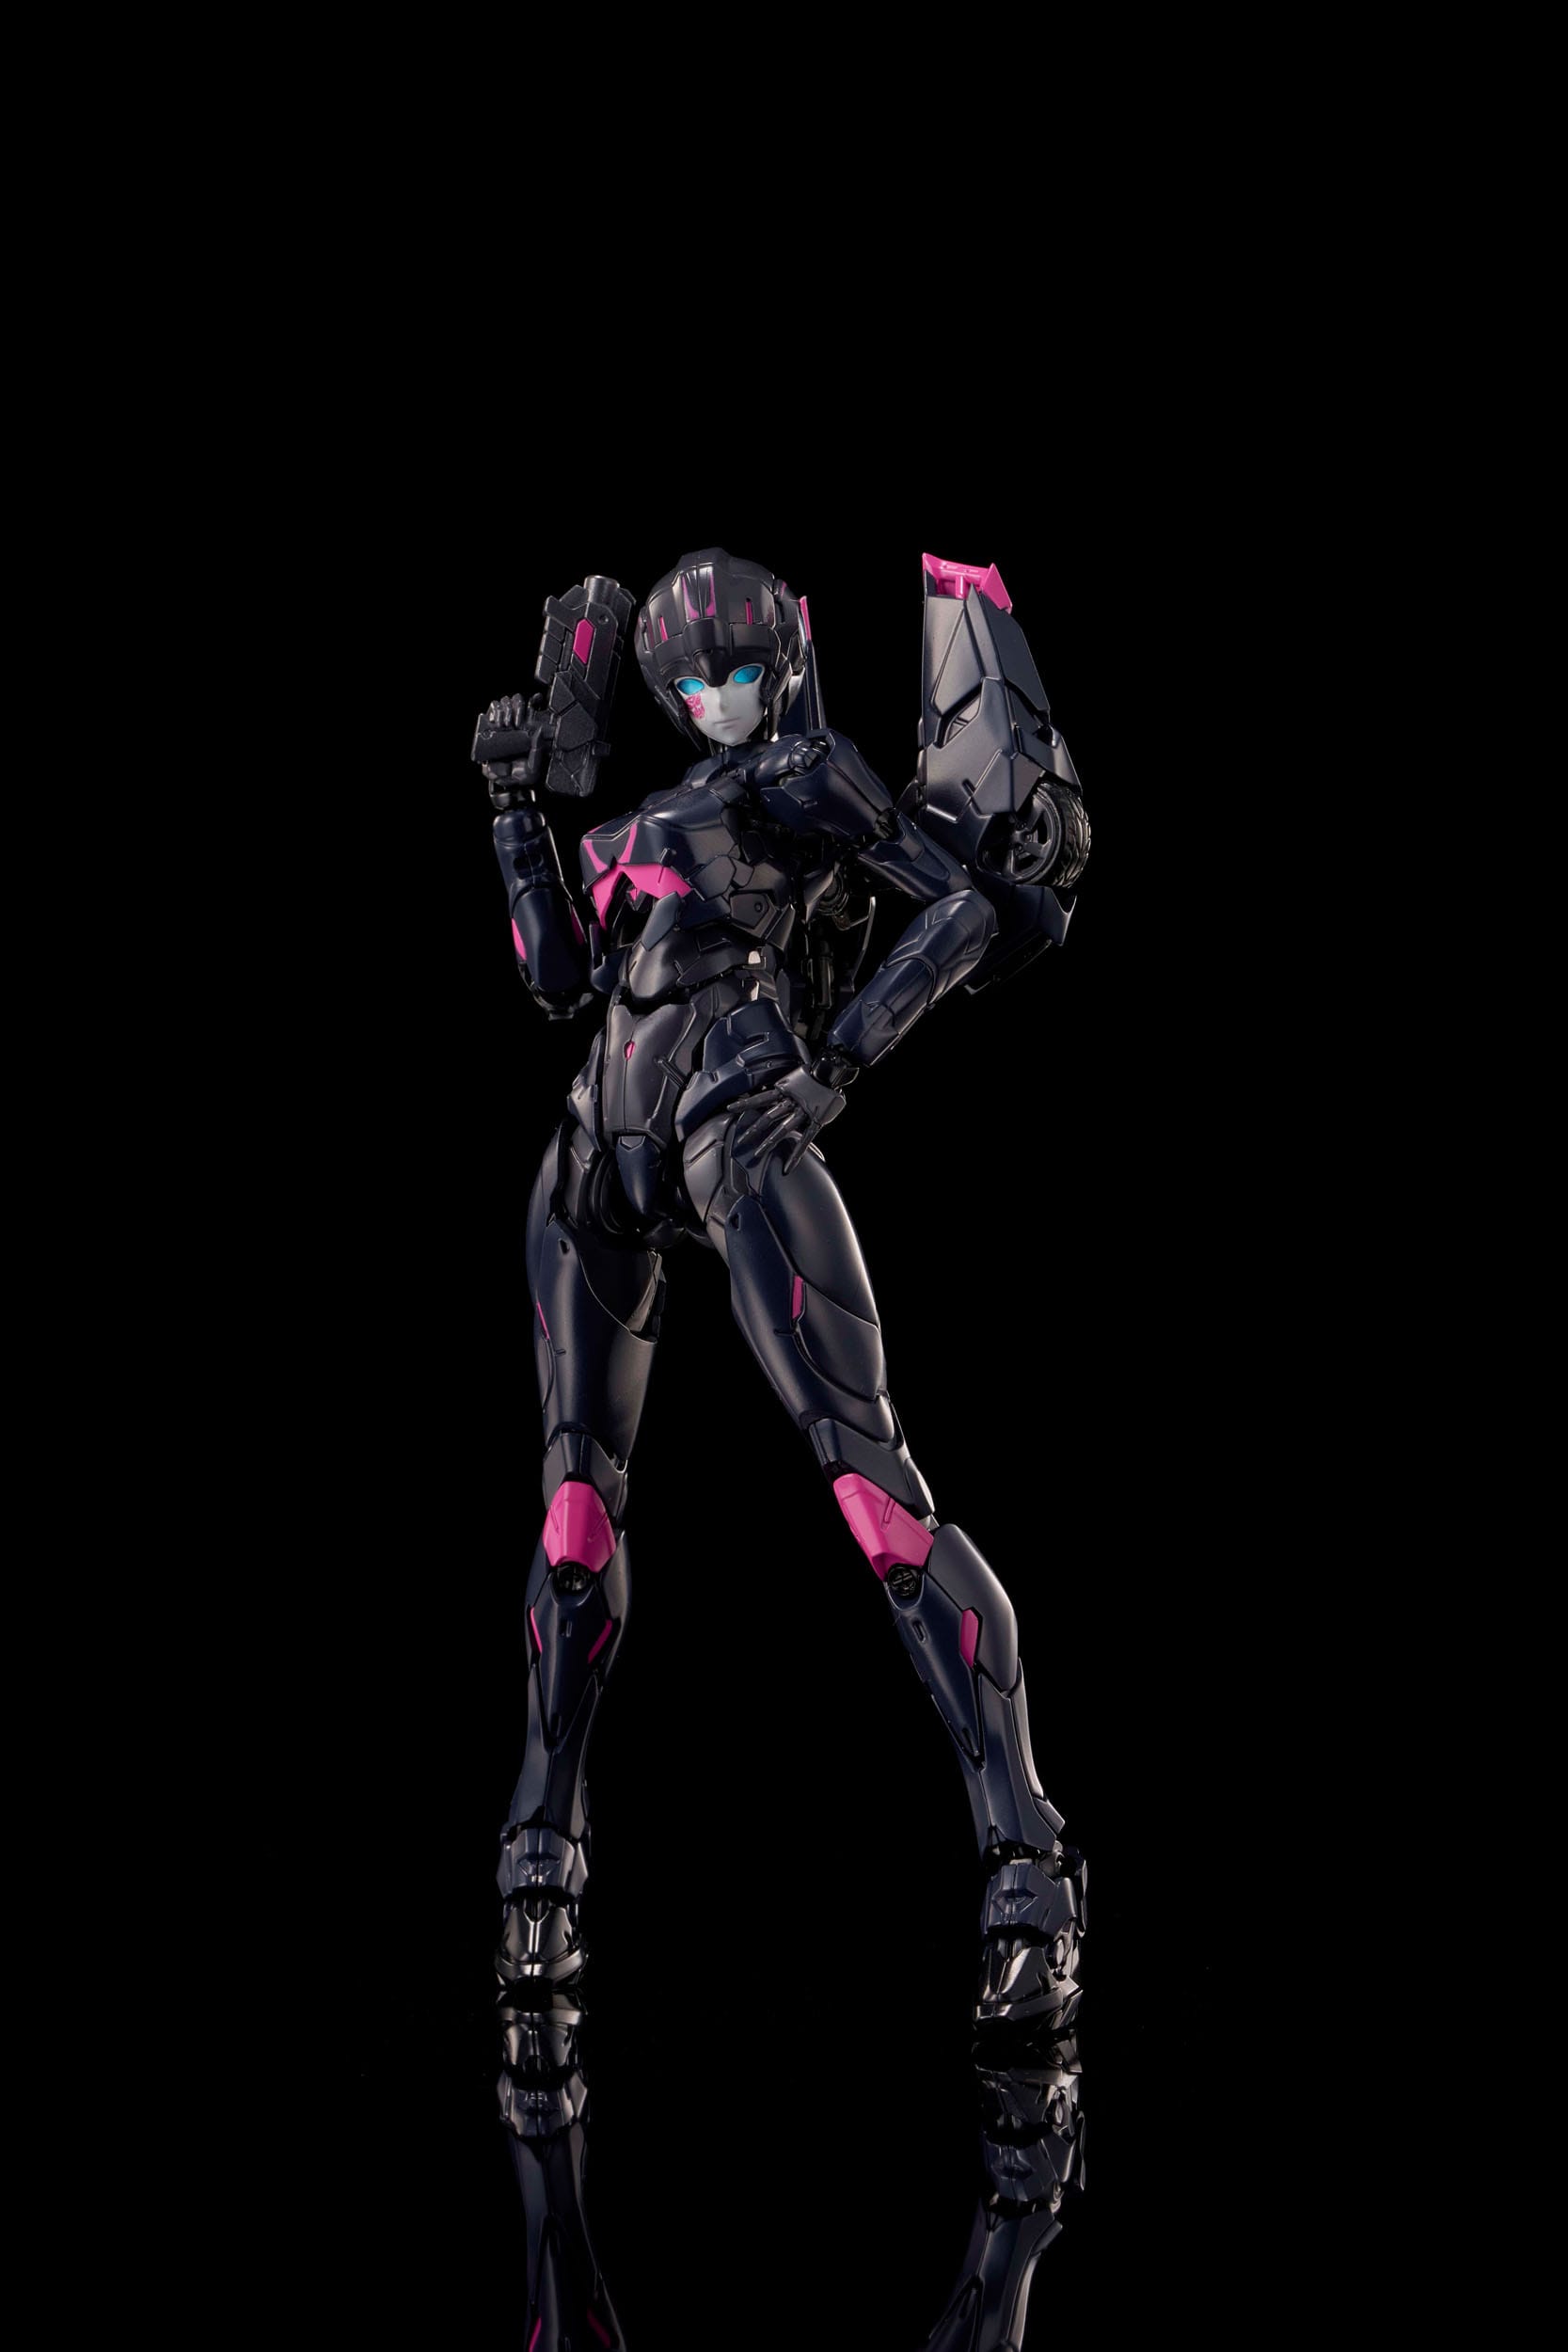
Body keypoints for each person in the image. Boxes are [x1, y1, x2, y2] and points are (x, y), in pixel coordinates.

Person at [480, 548, 1088, 2042]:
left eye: (743, 671)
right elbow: (558, 974)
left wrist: (835, 1066)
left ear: (787, 655)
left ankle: (1030, 1865)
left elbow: (961, 909)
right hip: (593, 1153)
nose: (720, 699)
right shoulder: (636, 819)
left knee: (877, 1498)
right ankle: (541, 1866)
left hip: (730, 1125)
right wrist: (510, 813)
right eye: (694, 682)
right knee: (572, 1526)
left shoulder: (805, 778)